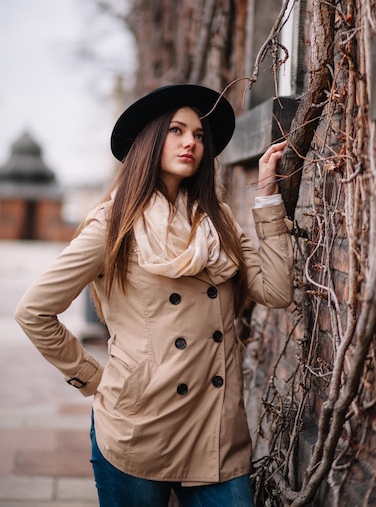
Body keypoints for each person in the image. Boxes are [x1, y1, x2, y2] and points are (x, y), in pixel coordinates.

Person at [15, 83, 294, 507]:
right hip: (139, 430)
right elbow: (34, 311)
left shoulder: (217, 225)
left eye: (199, 135)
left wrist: (267, 195)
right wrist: (94, 378)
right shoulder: (114, 225)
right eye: (177, 131)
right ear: (150, 140)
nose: (191, 143)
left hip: (215, 435)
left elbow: (275, 290)